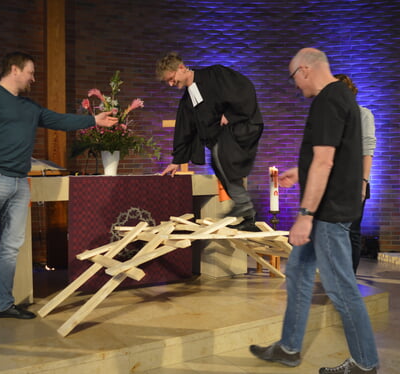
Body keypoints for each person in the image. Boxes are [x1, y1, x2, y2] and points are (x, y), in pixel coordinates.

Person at [0, 52, 117, 334]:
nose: (33, 78)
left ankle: (4, 304)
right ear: (14, 69)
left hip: (20, 183)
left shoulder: (28, 107)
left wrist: (94, 120)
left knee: (11, 248)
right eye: (30, 72)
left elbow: (59, 120)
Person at [249, 48, 379, 373]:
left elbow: (325, 160)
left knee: (340, 287)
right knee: (298, 271)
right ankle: (290, 347)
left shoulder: (326, 100)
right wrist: (300, 171)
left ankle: (365, 364)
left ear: (304, 70)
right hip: (331, 206)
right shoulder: (342, 97)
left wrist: (305, 215)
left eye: (294, 79)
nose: (296, 87)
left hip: (328, 213)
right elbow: (332, 156)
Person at [155, 52, 264, 231]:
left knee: (221, 156)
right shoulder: (187, 101)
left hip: (241, 127)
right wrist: (176, 161)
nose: (171, 84)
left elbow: (244, 89)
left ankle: (244, 207)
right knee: (219, 164)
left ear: (181, 68)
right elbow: (185, 130)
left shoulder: (215, 74)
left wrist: (230, 114)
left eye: (172, 79)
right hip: (221, 140)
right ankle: (247, 214)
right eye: (168, 81)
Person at [334, 74, 376, 274]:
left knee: (351, 232)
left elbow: (367, 150)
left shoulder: (362, 114)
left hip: (354, 181)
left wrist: (362, 183)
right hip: (332, 182)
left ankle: (347, 279)